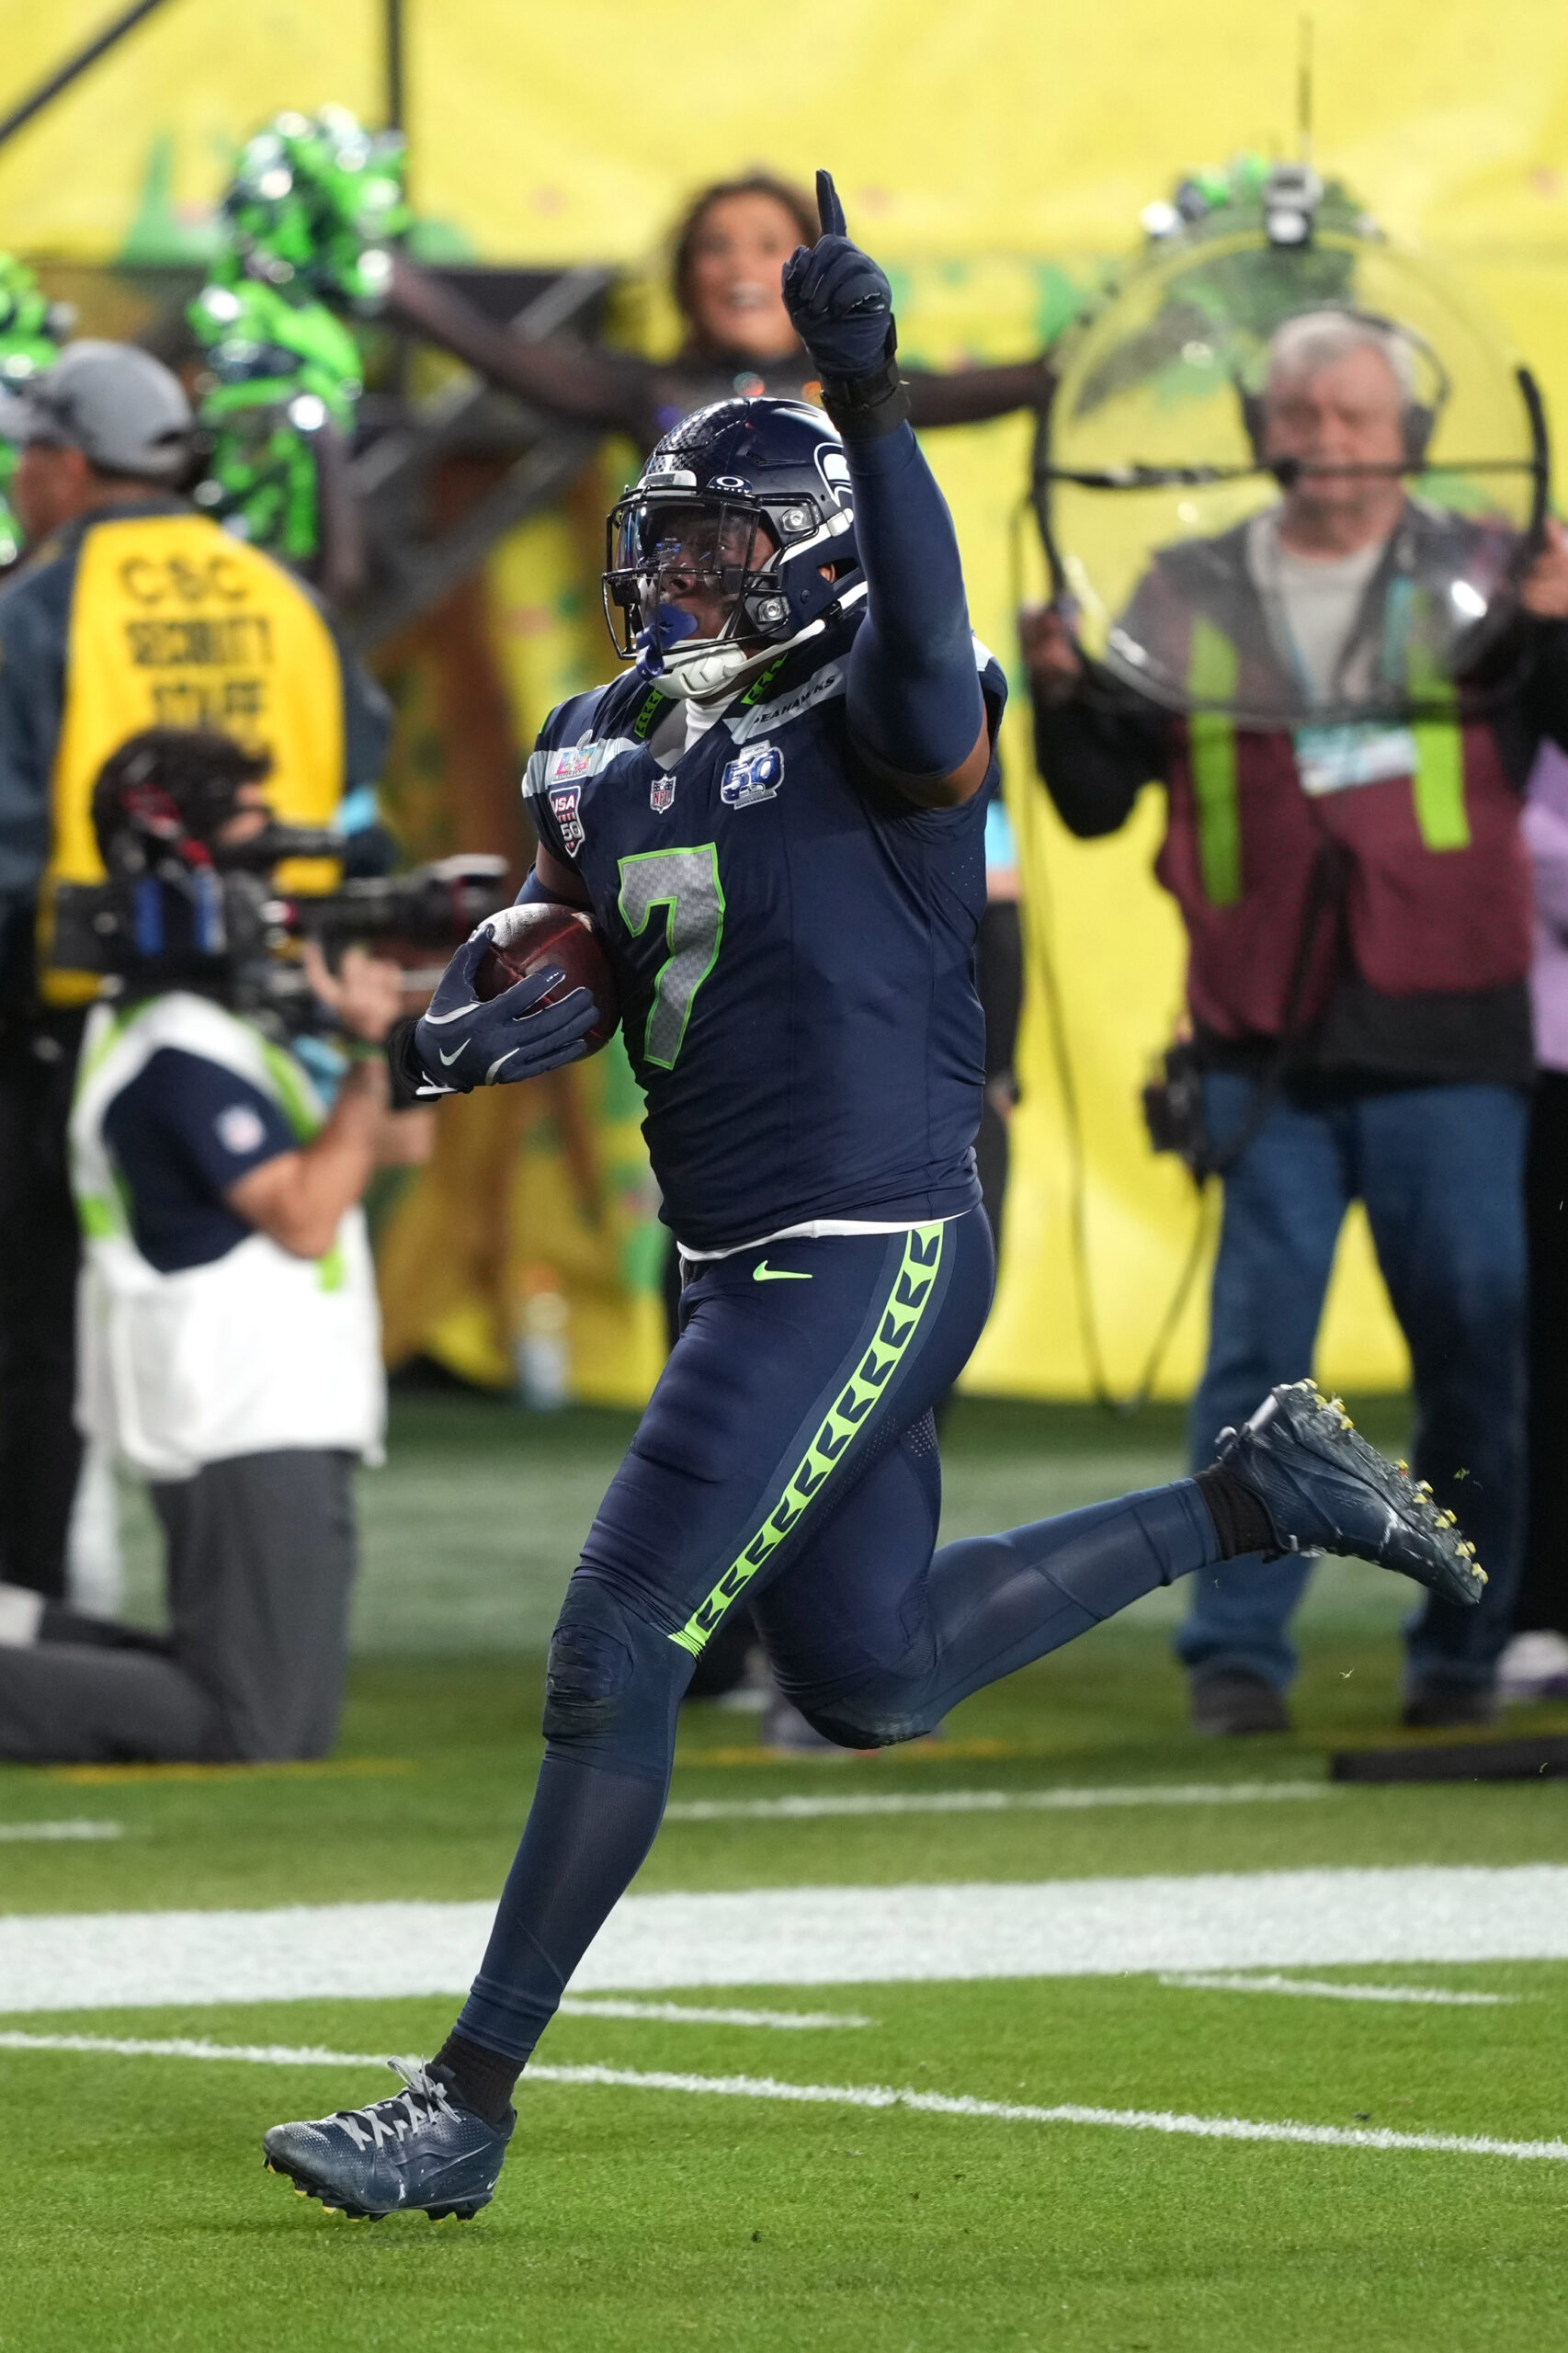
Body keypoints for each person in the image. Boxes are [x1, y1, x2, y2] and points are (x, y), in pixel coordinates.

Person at [257, 181, 1483, 2224]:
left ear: (813, 555)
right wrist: (498, 999)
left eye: (725, 549)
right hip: (734, 1243)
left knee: (620, 1634)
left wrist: (874, 404)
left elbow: (921, 651)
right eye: (667, 547)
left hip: (867, 1232)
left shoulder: (885, 710)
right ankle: (1252, 1496)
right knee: (874, 1672)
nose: (683, 580)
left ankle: (462, 2099)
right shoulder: (593, 746)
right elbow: (583, 935)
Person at [1023, 307, 1568, 1735]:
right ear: (1258, 432)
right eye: (1300, 415)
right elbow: (1094, 798)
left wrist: (1561, 625)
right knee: (1253, 1360)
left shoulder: (1486, 574)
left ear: (1409, 436)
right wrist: (1062, 693)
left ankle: (1463, 1642)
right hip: (1259, 1041)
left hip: (1449, 1039)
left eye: (1353, 416)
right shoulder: (1181, 586)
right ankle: (1234, 1652)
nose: (1325, 440)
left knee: (1475, 1343)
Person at [0, 339, 391, 1605]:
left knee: (37, 1325)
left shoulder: (36, 608)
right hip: (282, 1008)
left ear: (64, 464)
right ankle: (254, 1600)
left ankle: (42, 1600)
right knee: (262, 1293)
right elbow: (359, 783)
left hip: (75, 1020)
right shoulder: (283, 598)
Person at [0, 729, 414, 1763]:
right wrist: (367, 1055)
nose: (272, 882)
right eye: (251, 849)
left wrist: (394, 1038)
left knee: (266, 1706)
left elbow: (402, 1140)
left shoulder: (212, 1031)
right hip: (238, 1404)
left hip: (268, 1395)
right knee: (254, 1724)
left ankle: (22, 1628)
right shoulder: (174, 1048)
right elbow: (305, 1213)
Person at [386, 170, 1053, 450]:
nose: (741, 271)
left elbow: (1018, 383)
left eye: (768, 247)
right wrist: (389, 280)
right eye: (715, 249)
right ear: (685, 281)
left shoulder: (864, 393)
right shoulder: (653, 391)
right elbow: (501, 355)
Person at [1501, 741, 1568, 1701]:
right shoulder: (1532, 698)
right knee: (1546, 1353)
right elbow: (1527, 850)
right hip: (1550, 1066)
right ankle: (1539, 1604)